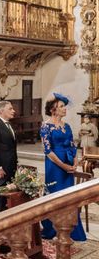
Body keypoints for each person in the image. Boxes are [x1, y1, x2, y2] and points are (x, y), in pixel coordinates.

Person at [40, 94, 86, 241]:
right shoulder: (46, 126)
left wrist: (74, 163)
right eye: (61, 106)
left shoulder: (67, 126)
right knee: (54, 195)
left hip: (68, 166)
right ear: (53, 109)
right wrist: (64, 166)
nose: (64, 109)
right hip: (54, 166)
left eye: (64, 106)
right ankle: (50, 229)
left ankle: (72, 229)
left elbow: (73, 146)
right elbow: (48, 151)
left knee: (69, 196)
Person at [0, 100, 18, 212]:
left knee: (8, 196)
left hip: (10, 167)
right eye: (10, 109)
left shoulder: (9, 125)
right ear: (1, 111)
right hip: (1, 169)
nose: (13, 111)